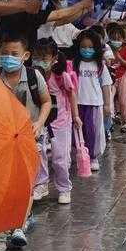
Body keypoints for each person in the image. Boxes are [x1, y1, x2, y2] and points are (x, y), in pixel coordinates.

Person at [0, 35, 52, 248]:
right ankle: (17, 218)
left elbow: (46, 102)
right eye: (4, 53)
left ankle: (18, 226)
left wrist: (39, 122)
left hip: (31, 138)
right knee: (12, 184)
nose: (8, 58)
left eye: (14, 54)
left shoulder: (33, 76)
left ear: (25, 56)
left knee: (27, 182)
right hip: (5, 141)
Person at [0, 0, 94, 56]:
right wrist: (82, 4)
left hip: (4, 56)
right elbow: (60, 15)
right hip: (24, 60)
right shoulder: (30, 13)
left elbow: (61, 18)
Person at [34, 37, 82, 205]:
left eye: (44, 56)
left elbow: (71, 94)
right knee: (39, 154)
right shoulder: (34, 75)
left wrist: (76, 116)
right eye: (38, 56)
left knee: (60, 158)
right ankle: (41, 184)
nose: (40, 60)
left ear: (54, 57)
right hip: (41, 122)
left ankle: (64, 188)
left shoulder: (61, 76)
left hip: (61, 122)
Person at [73, 29, 112, 171]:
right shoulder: (74, 65)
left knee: (93, 132)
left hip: (94, 104)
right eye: (83, 47)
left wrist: (107, 105)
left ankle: (93, 157)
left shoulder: (100, 66)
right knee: (78, 131)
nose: (86, 50)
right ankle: (80, 154)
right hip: (77, 103)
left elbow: (106, 85)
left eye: (90, 47)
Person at [107, 23, 126, 132]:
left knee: (123, 101)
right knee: (108, 101)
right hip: (110, 78)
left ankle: (125, 122)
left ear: (123, 39)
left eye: (119, 39)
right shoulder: (107, 48)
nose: (116, 41)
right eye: (113, 38)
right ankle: (109, 122)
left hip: (122, 77)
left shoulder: (125, 49)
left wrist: (119, 58)